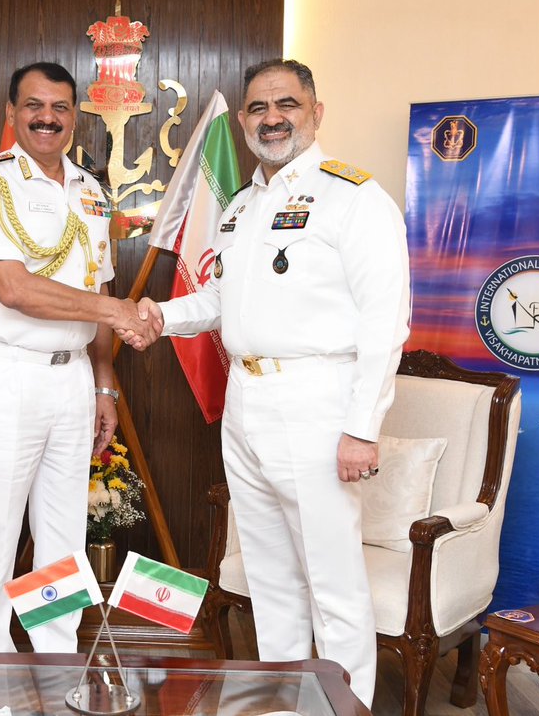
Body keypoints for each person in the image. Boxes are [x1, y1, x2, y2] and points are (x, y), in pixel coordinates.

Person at [136, 59, 410, 707]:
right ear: (243, 121)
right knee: (270, 575)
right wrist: (161, 316)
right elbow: (222, 298)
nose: (272, 118)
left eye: (287, 104)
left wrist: (361, 428)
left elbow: (386, 321)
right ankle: (287, 701)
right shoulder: (241, 205)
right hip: (247, 403)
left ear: (316, 112)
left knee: (333, 580)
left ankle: (344, 705)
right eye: (258, 108)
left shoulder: (353, 197)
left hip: (316, 402)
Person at [0, 61, 159, 653]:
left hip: (72, 382)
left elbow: (99, 288)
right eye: (34, 106)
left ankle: (56, 662)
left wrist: (104, 384)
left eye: (60, 108)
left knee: (63, 540)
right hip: (6, 377)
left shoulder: (90, 191)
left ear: (74, 117)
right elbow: (14, 289)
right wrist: (117, 312)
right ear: (11, 113)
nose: (47, 118)